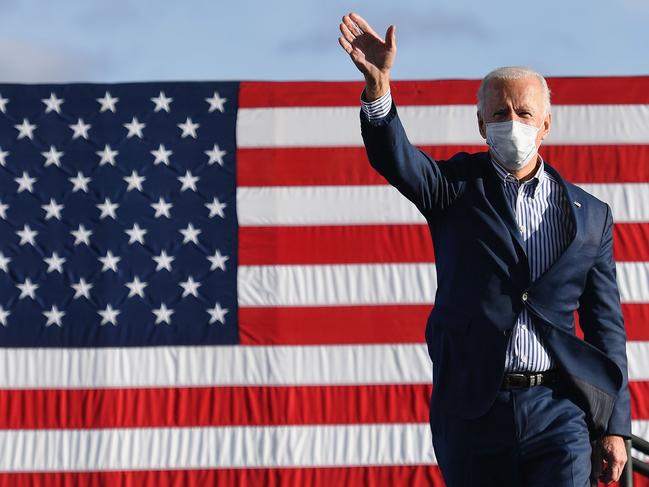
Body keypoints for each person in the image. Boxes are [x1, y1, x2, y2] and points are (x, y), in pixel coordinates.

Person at [338, 12, 631, 487]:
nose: (511, 123)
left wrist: (615, 426)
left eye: (523, 113)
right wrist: (378, 89)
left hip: (559, 412)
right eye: (499, 114)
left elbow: (605, 325)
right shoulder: (453, 188)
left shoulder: (590, 215)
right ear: (481, 123)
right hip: (474, 410)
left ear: (546, 125)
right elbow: (397, 159)